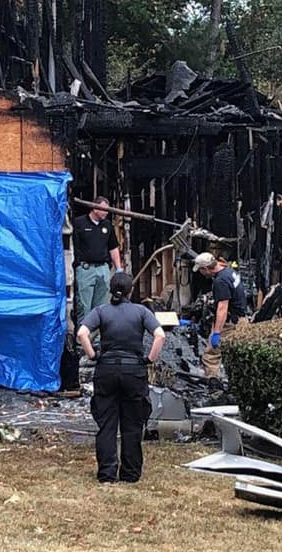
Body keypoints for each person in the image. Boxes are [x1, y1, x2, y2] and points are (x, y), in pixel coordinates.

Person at [76, 272, 166, 483]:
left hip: (106, 370)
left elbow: (82, 333)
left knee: (106, 424)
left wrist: (93, 355)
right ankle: (130, 473)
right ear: (130, 291)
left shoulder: (101, 311)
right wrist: (149, 359)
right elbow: (160, 335)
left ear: (110, 290)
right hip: (134, 371)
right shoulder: (141, 311)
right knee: (133, 423)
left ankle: (107, 473)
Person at [192, 251, 249, 379]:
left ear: (206, 268)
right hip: (241, 319)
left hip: (230, 323)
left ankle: (214, 386)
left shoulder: (220, 281)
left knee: (211, 355)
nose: (200, 273)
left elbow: (222, 308)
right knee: (237, 355)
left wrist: (217, 332)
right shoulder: (228, 271)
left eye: (200, 270)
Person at [71, 196, 123, 328]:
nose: (106, 213)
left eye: (107, 210)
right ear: (94, 208)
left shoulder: (107, 225)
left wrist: (118, 269)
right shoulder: (79, 223)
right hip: (85, 269)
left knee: (101, 307)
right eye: (103, 210)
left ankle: (97, 341)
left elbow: (113, 247)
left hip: (103, 269)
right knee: (84, 306)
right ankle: (82, 341)